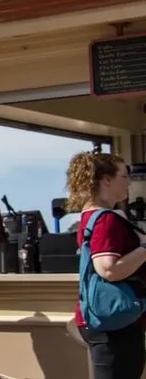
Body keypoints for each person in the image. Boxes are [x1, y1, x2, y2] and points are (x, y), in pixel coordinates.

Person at [65, 151, 145, 379]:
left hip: (109, 320)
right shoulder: (107, 219)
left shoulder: (90, 217)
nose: (128, 182)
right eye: (123, 176)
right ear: (107, 180)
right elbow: (108, 269)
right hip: (115, 323)